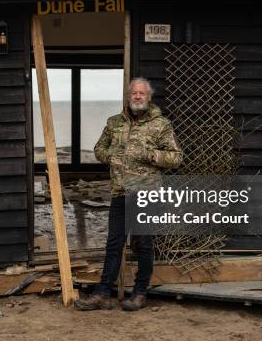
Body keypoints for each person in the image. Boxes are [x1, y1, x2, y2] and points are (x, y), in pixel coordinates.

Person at [74, 77, 183, 311]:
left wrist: (152, 154)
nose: (137, 96)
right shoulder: (114, 122)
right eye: (134, 93)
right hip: (120, 192)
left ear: (149, 97)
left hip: (147, 193)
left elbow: (176, 157)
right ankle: (103, 294)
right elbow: (98, 149)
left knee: (143, 243)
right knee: (114, 244)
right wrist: (110, 155)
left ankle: (140, 293)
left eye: (142, 93)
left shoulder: (161, 124)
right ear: (129, 96)